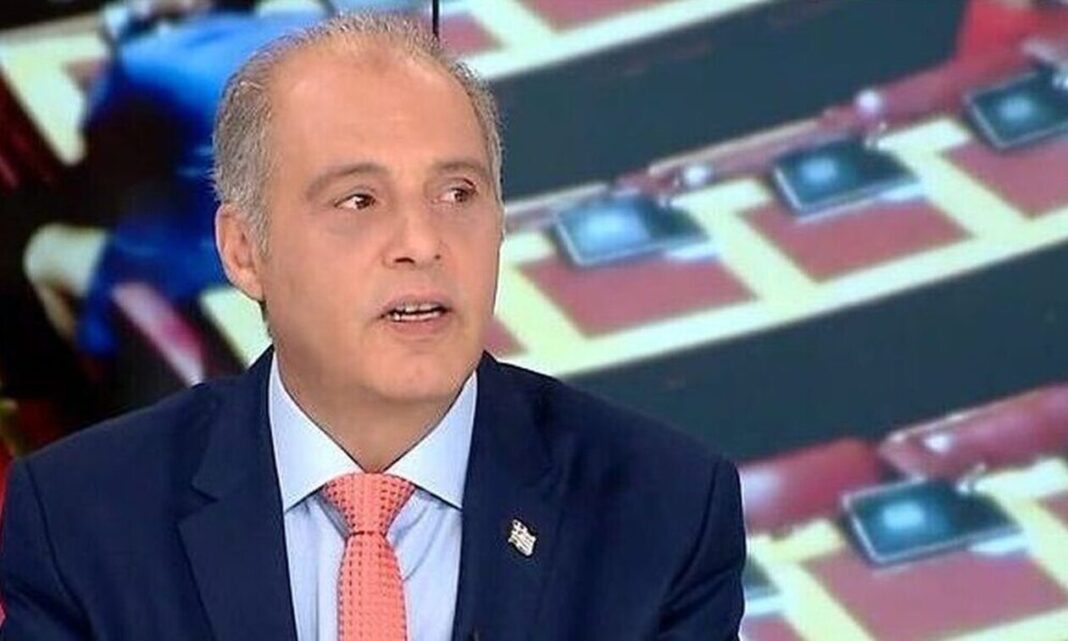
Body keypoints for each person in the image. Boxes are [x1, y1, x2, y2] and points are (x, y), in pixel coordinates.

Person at [0, 12, 745, 641]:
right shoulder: (80, 521)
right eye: (359, 200)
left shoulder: (665, 511)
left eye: (458, 193)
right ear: (244, 250)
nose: (422, 242)